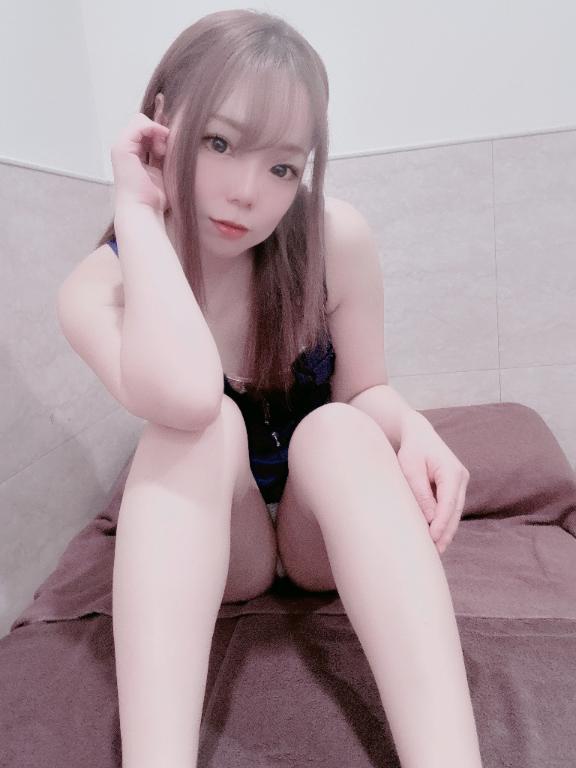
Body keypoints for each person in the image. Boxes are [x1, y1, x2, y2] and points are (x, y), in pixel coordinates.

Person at [69, 9, 483, 768]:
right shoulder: (101, 285)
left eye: (283, 167)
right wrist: (137, 212)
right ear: (160, 121)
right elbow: (189, 397)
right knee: (200, 429)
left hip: (318, 532)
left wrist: (411, 424)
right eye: (220, 143)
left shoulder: (334, 240)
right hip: (226, 544)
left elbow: (365, 389)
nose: (246, 193)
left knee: (339, 428)